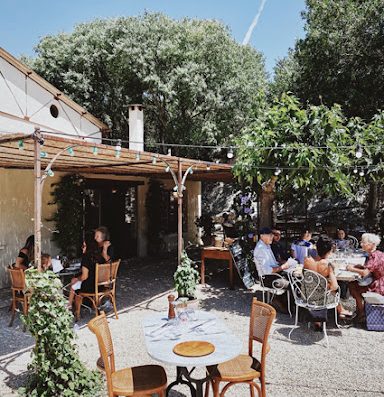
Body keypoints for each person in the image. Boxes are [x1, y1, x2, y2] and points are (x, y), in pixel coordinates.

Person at [304, 235, 353, 319]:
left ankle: (340, 310)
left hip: (305, 295)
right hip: (321, 298)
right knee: (332, 290)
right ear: (330, 251)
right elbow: (335, 286)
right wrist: (328, 284)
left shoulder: (307, 261)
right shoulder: (327, 265)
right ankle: (340, 311)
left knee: (321, 286)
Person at [347, 233, 384, 322]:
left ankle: (361, 312)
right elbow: (370, 269)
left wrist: (351, 268)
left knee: (352, 285)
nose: (361, 244)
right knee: (353, 284)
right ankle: (361, 310)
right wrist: (360, 266)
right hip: (378, 280)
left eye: (363, 242)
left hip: (378, 286)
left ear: (372, 245)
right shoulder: (377, 253)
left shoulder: (374, 256)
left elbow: (365, 273)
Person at [67, 238, 104, 309]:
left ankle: (69, 305)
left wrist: (76, 279)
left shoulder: (86, 258)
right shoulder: (100, 257)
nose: (82, 248)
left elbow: (84, 276)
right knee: (75, 281)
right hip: (100, 286)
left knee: (73, 283)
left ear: (88, 247)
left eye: (84, 246)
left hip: (90, 287)